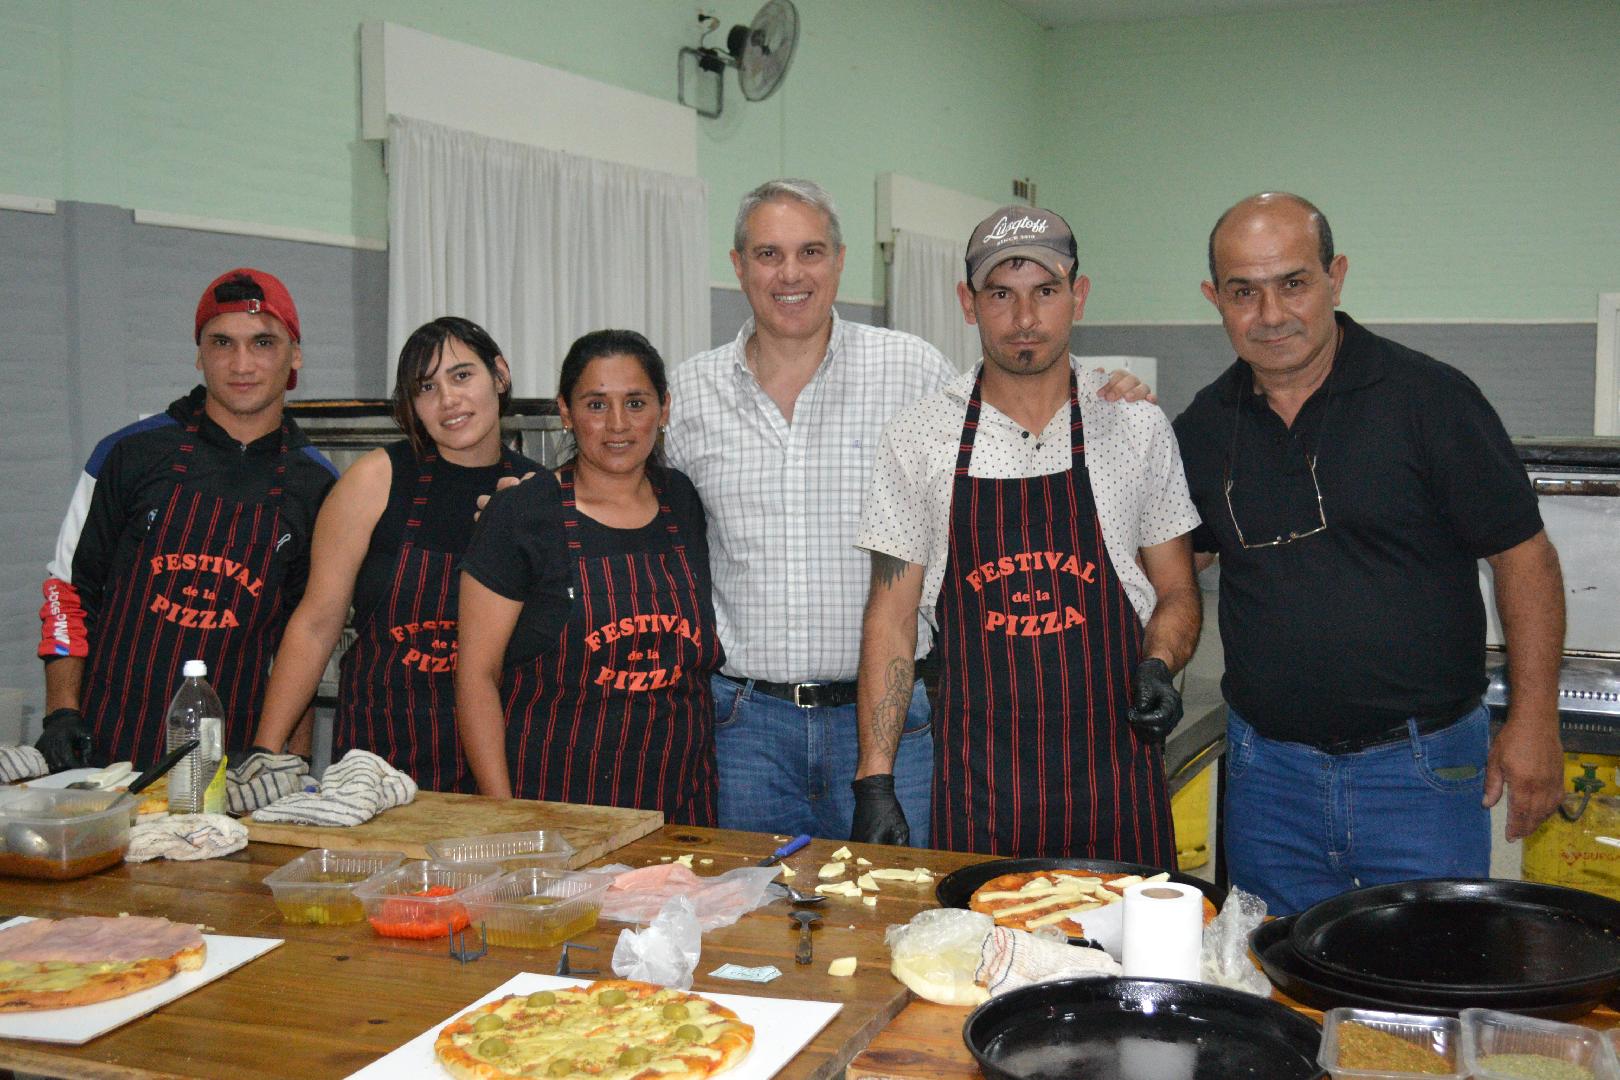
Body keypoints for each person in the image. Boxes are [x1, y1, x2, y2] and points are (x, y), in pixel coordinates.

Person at [665, 179, 1150, 845]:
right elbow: (630, 500)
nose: (790, 274)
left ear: (839, 262)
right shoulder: (689, 394)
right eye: (768, 254)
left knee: (903, 923)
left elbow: (1017, 404)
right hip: (746, 729)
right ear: (738, 264)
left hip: (901, 726)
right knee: (757, 920)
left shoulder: (911, 369)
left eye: (810, 251)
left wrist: (1099, 391)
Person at [1172, 192, 1565, 914]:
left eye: (1293, 282)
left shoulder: (1429, 400)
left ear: (1335, 277)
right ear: (1214, 299)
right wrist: (1109, 424)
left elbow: (1524, 557)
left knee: (1426, 989)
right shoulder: (1203, 427)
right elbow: (1173, 571)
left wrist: (1535, 717)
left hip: (1420, 772)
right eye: (1243, 292)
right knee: (1279, 989)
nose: (1270, 313)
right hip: (1268, 778)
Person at [851, 206, 1203, 858]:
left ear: (1079, 295)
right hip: (980, 783)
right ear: (968, 302)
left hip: (1115, 771)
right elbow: (891, 620)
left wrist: (1159, 664)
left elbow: (1178, 590)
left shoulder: (1134, 426)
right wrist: (875, 778)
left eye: (1046, 291)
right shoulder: (920, 437)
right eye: (1001, 295)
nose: (1024, 319)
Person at [35, 268, 337, 769]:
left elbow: (305, 639)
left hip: (237, 760)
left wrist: (291, 763)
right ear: (200, 355)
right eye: (222, 343)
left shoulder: (318, 486)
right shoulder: (126, 454)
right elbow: (68, 590)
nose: (242, 364)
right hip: (108, 747)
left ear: (295, 356)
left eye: (263, 342)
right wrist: (61, 714)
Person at [248, 318, 536, 790]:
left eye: (462, 375)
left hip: (499, 763)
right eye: (427, 387)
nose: (448, 400)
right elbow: (316, 624)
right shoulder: (374, 480)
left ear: (499, 375)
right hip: (377, 762)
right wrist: (264, 752)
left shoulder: (534, 491)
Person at [456, 330, 721, 824]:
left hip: (683, 809)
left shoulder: (683, 501)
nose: (618, 424)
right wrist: (506, 814)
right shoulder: (522, 513)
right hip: (555, 808)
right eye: (596, 405)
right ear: (565, 411)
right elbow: (476, 677)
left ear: (664, 409)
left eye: (636, 403)